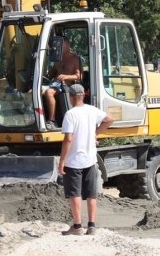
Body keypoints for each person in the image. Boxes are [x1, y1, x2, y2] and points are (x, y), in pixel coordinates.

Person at [58, 84, 114, 235]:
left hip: (74, 161)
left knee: (74, 193)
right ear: (83, 95)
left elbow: (68, 139)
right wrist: (95, 133)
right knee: (91, 194)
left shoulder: (70, 114)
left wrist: (62, 161)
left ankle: (77, 227)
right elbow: (109, 119)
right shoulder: (92, 110)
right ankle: (92, 226)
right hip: (90, 160)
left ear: (71, 97)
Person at [42, 37, 81, 130]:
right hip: (55, 83)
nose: (58, 46)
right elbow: (52, 73)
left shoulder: (74, 58)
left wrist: (66, 76)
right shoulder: (57, 59)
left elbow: (79, 76)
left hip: (67, 85)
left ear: (68, 45)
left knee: (49, 92)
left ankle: (52, 120)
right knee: (33, 90)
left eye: (62, 44)